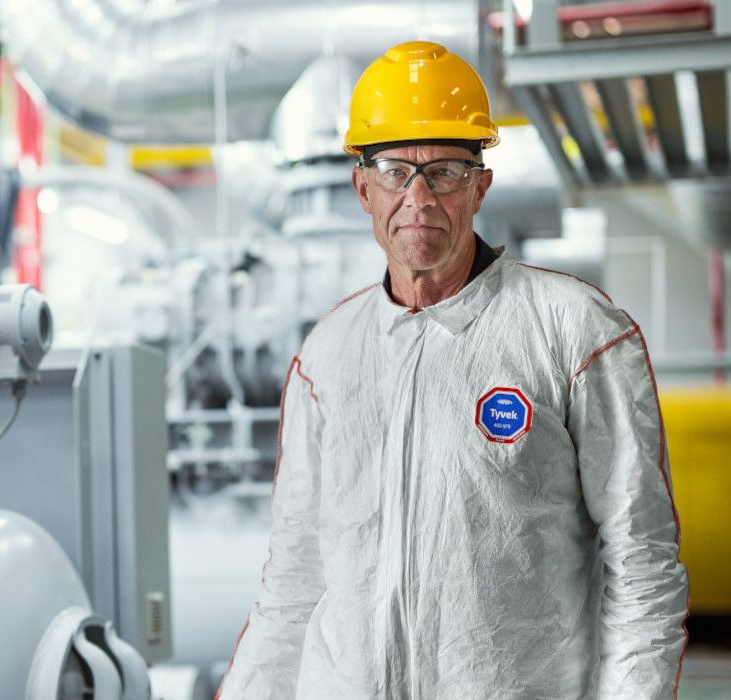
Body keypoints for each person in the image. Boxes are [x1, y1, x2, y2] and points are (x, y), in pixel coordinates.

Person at [216, 41, 689, 699]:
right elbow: (295, 580)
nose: (418, 197)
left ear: (481, 185)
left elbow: (641, 563)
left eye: (444, 170)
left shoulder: (574, 332)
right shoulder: (327, 358)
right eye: (393, 170)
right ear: (361, 188)